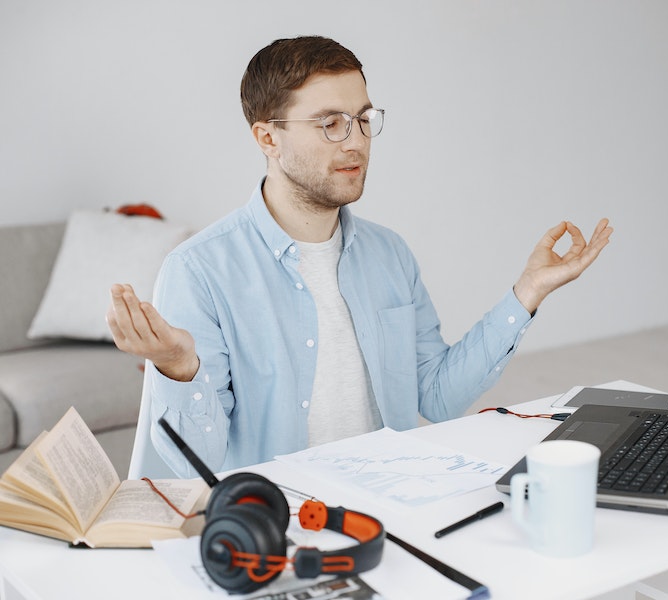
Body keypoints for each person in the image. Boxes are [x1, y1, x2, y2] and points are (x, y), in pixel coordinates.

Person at [106, 35, 613, 478]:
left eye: (363, 119)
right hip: (277, 522)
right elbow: (198, 460)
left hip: (390, 501)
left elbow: (438, 397)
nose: (356, 142)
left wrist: (527, 292)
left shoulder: (389, 254)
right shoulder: (198, 271)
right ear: (268, 137)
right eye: (330, 123)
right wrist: (178, 366)